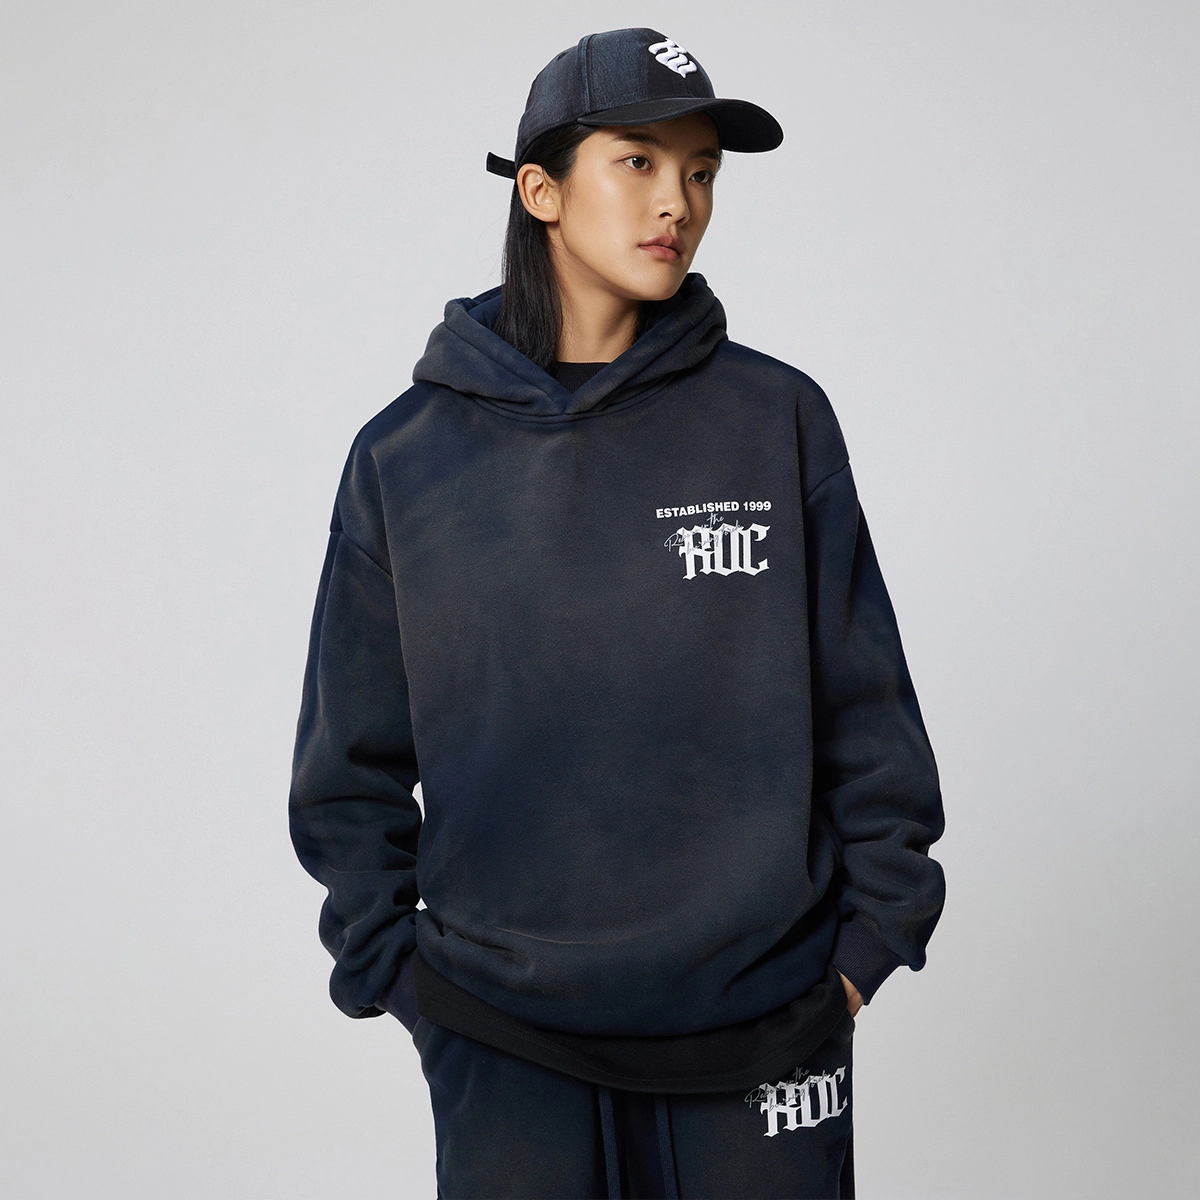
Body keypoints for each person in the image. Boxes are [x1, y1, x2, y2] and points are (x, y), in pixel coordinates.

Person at [289, 27, 946, 1200]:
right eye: (637, 162)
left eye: (701, 171)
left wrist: (861, 957)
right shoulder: (405, 459)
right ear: (540, 191)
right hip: (503, 1036)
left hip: (768, 1025)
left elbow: (870, 719)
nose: (677, 202)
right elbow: (348, 770)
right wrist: (407, 983)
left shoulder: (777, 421)